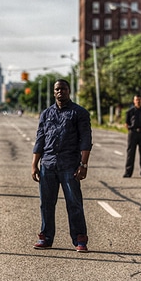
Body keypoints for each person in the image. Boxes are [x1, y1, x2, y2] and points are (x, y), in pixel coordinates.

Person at [31, 79, 92, 252]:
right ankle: (46, 238)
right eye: (57, 89)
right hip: (48, 165)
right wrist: (34, 164)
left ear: (69, 91)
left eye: (63, 89)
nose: (60, 92)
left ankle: (80, 239)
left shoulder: (79, 113)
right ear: (53, 92)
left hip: (69, 165)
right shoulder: (46, 114)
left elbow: (86, 140)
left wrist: (83, 164)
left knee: (74, 203)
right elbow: (40, 139)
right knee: (46, 204)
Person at [123, 95, 141, 178]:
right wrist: (132, 130)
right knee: (130, 153)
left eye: (139, 100)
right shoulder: (130, 111)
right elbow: (126, 124)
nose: (138, 101)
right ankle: (128, 172)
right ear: (133, 101)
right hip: (133, 133)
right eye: (136, 100)